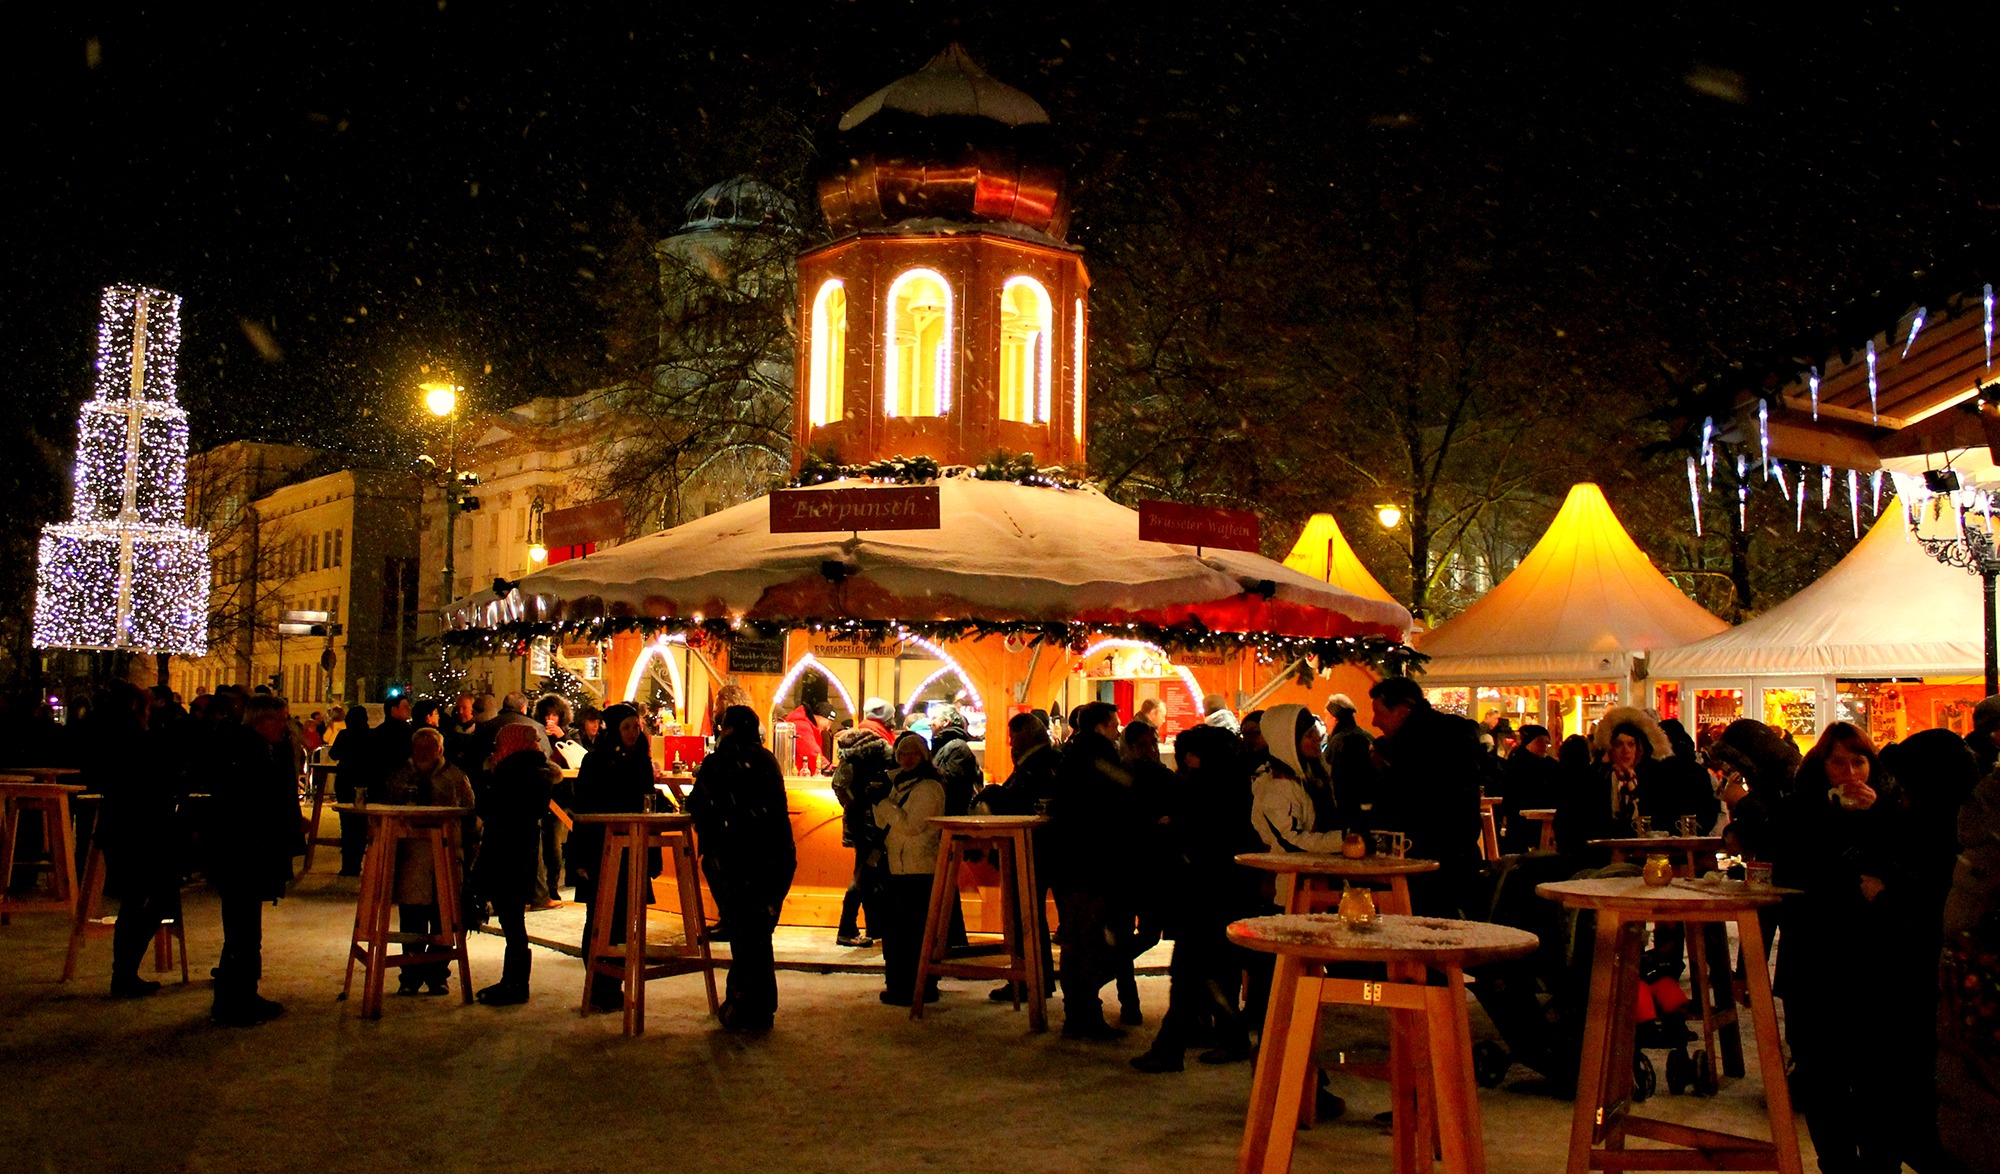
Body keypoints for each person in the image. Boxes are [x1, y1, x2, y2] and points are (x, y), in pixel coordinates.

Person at [1767, 723, 1914, 1172]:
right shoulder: (1799, 812)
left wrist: (1873, 818)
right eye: (1838, 762)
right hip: (1814, 959)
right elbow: (1792, 876)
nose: (1850, 772)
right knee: (1822, 1076)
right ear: (1821, 766)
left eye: (1858, 761)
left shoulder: (1893, 811)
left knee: (1878, 1076)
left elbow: (1902, 874)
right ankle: (1836, 1164)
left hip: (1874, 962)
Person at [1132, 722, 1260, 1072]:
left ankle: (1170, 1048)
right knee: (1218, 968)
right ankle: (1228, 1037)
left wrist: (1167, 827)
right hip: (1232, 889)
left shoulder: (1196, 791)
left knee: (1189, 970)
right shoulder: (1238, 785)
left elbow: (1187, 839)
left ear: (1193, 757)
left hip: (1203, 892)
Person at [686, 706, 796, 1031]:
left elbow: (699, 805)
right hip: (776, 856)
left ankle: (747, 1006)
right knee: (758, 933)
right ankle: (756, 1006)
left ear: (727, 729)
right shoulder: (767, 759)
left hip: (734, 857)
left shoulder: (718, 761)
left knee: (746, 934)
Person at [209, 694, 305, 1025]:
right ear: (262, 721)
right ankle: (234, 1001)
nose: (286, 727)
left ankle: (241, 994)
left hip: (244, 853)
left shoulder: (255, 749)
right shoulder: (248, 754)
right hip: (243, 854)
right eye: (281, 720)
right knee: (242, 931)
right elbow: (253, 807)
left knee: (244, 930)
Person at [86, 681, 179, 998]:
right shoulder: (138, 739)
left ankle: (124, 973)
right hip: (142, 829)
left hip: (120, 828)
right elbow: (154, 782)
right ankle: (124, 973)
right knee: (151, 900)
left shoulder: (107, 736)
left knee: (135, 901)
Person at [1048, 700, 1135, 1040]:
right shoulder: (1100, 754)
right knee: (1089, 938)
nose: (1118, 730)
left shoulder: (1070, 753)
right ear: (1100, 726)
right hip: (1091, 861)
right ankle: (1086, 1014)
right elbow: (1115, 801)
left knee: (1076, 939)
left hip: (1071, 860)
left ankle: (1078, 1012)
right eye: (1114, 724)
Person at [571, 703, 665, 1010]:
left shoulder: (640, 761)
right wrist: (582, 859)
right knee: (599, 917)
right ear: (613, 730)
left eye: (636, 727)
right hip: (601, 850)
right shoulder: (595, 762)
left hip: (631, 849)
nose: (633, 733)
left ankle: (615, 983)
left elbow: (645, 801)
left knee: (625, 919)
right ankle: (597, 985)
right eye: (626, 727)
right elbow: (584, 810)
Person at [1366, 677, 1484, 916]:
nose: (1374, 721)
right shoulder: (1450, 736)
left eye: (1379, 712)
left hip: (1428, 866)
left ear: (1402, 711)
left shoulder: (1415, 750)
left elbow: (1410, 806)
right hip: (1456, 860)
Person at [970, 711, 1062, 1002]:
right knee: (1034, 920)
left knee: (1025, 919)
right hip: (1049, 849)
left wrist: (993, 795)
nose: (1011, 744)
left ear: (1022, 737)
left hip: (1030, 849)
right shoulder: (1050, 758)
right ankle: (1038, 978)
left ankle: (1027, 979)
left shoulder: (1034, 764)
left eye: (1013, 738)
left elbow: (1020, 802)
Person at [1554, 706, 1715, 864]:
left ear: (1639, 749)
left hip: (1648, 858)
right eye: (1619, 744)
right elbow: (1569, 825)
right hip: (1599, 859)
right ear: (1609, 748)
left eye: (1631, 744)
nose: (1626, 751)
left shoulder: (1656, 779)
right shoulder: (1593, 779)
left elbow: (1664, 819)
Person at [380, 727, 474, 995]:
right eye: (419, 748)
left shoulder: (455, 778)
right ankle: (409, 975)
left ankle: (437, 974)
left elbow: (469, 815)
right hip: (412, 859)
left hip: (446, 857)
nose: (423, 754)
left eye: (429, 749)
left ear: (439, 750)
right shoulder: (400, 778)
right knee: (412, 920)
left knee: (444, 920)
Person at [474, 723, 558, 1005]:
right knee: (513, 919)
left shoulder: (511, 772)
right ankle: (514, 981)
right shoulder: (537, 771)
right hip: (524, 849)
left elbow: (489, 807)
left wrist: (488, 775)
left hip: (505, 848)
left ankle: (515, 983)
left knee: (511, 920)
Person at [871, 731, 946, 1007]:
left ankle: (918, 986)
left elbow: (912, 826)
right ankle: (900, 984)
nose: (907, 758)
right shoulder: (898, 784)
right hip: (898, 866)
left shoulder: (929, 788)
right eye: (902, 753)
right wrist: (884, 804)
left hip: (920, 869)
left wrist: (883, 803)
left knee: (914, 933)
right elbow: (884, 822)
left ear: (924, 755)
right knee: (897, 933)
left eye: (913, 752)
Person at [1249, 703, 1351, 855]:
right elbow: (1290, 841)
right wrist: (1343, 840)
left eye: (1315, 730)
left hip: (1323, 871)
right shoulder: (1277, 787)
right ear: (1288, 742)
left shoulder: (1313, 776)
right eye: (1309, 734)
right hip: (1295, 876)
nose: (1318, 737)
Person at [830, 721, 895, 948]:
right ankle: (847, 929)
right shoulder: (883, 751)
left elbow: (838, 784)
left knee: (866, 870)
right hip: (875, 820)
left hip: (858, 820)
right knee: (866, 872)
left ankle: (872, 926)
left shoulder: (848, 755)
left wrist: (851, 804)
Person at [1496, 724, 1559, 853]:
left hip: (1532, 823)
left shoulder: (1549, 765)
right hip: (1523, 824)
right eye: (1543, 743)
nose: (1546, 748)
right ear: (1532, 742)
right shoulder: (1519, 764)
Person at [327, 703, 371, 875]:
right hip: (364, 781)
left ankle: (348, 864)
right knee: (361, 824)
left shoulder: (344, 735)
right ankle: (358, 860)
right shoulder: (370, 735)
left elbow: (333, 755)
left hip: (345, 780)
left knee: (346, 823)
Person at [928, 705, 982, 816]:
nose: (929, 723)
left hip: (950, 816)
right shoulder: (946, 746)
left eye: (934, 718)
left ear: (946, 722)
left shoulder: (957, 747)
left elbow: (954, 785)